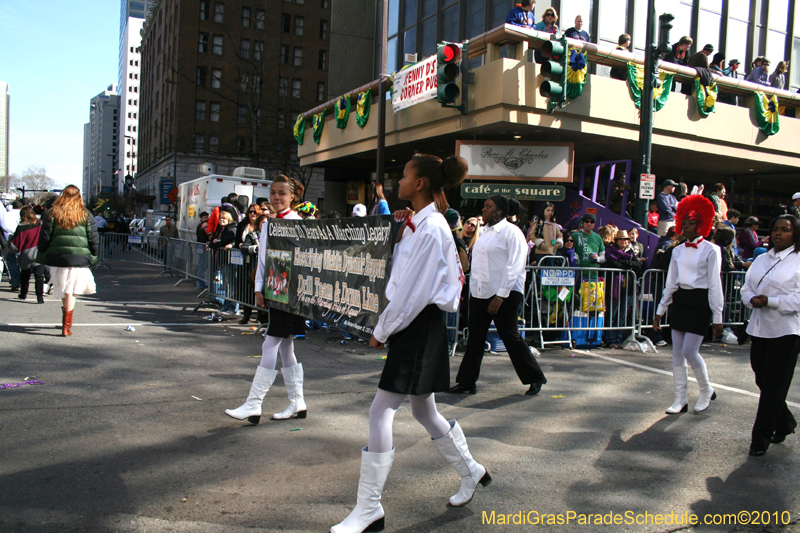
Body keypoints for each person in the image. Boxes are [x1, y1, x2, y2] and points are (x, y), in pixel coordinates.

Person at [331, 154, 491, 533]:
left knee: (380, 411)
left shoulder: (432, 227)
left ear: (420, 183)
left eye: (403, 175)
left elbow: (413, 293)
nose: (398, 182)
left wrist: (381, 330)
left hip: (418, 324)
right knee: (423, 411)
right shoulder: (420, 224)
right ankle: (472, 471)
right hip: (418, 325)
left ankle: (369, 508)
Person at [225, 174, 308, 424]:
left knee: (270, 344)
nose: (276, 197)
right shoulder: (268, 223)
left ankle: (254, 404)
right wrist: (259, 288)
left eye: (282, 193)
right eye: (273, 192)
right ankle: (297, 402)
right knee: (285, 346)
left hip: (290, 294)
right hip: (275, 290)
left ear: (293, 196)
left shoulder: (298, 222)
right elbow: (263, 259)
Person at [450, 195, 547, 396]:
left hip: (506, 293)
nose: (483, 210)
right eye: (484, 206)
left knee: (510, 336)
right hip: (480, 293)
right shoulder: (484, 233)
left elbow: (515, 266)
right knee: (475, 338)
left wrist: (500, 296)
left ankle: (535, 377)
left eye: (488, 207)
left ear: (499, 211)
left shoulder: (512, 232)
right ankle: (467, 382)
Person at [653, 195, 723, 414]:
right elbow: (671, 282)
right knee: (677, 353)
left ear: (701, 225)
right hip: (681, 301)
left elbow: (715, 284)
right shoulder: (677, 250)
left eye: (691, 223)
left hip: (700, 302)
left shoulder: (712, 249)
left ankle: (705, 389)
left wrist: (718, 318)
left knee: (691, 351)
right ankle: (680, 398)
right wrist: (660, 311)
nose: (686, 227)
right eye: (684, 223)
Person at [740, 214, 800, 456]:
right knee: (764, 381)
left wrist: (771, 301)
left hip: (786, 331)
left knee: (773, 386)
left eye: (785, 230)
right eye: (775, 229)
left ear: (795, 233)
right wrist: (751, 299)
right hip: (759, 329)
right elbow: (747, 287)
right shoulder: (762, 258)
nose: (778, 233)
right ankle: (785, 422)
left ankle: (760, 438)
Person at [36, 186, 99, 337]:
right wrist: (94, 254)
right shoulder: (85, 215)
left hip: (57, 257)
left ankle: (65, 321)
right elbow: (93, 237)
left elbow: (45, 235)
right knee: (71, 291)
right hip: (79, 257)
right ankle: (66, 326)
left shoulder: (52, 213)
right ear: (79, 197)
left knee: (64, 288)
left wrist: (42, 250)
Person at [603, 230, 642, 348]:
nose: (624, 241)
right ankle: (610, 339)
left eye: (626, 240)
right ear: (617, 240)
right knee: (612, 313)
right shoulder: (610, 250)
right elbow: (614, 263)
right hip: (614, 287)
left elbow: (638, 265)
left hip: (627, 287)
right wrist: (628, 264)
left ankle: (618, 338)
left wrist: (624, 263)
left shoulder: (630, 251)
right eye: (621, 239)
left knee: (622, 314)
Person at [10, 206, 48, 304]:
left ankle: (23, 294)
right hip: (39, 254)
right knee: (39, 276)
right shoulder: (40, 224)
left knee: (25, 276)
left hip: (26, 255)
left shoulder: (21, 227)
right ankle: (40, 297)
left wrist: (9, 240)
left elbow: (14, 246)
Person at [236, 204, 262, 324]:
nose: (252, 214)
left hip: (264, 268)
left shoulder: (271, 235)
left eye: (255, 212)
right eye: (250, 212)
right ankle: (247, 314)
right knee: (247, 291)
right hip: (250, 266)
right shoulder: (251, 234)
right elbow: (243, 247)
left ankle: (262, 316)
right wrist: (256, 248)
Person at [0, 199, 22, 291]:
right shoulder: (23, 213)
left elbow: (4, 224)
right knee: (21, 261)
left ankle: (15, 282)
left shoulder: (7, 214)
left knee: (11, 261)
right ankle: (22, 282)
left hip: (9, 237)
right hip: (21, 237)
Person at [195, 212, 210, 290]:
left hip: (201, 247)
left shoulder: (200, 226)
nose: (206, 219)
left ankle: (200, 283)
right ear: (201, 218)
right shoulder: (202, 226)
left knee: (202, 266)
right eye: (204, 217)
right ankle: (200, 284)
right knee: (202, 266)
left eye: (207, 217)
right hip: (203, 247)